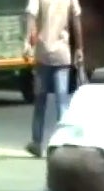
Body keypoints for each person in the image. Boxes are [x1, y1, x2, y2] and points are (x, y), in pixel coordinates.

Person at [24, 0, 84, 158]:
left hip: (43, 54)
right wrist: (79, 48)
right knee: (62, 101)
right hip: (62, 54)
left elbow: (31, 15)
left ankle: (36, 142)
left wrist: (28, 42)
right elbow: (76, 20)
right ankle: (64, 143)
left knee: (40, 102)